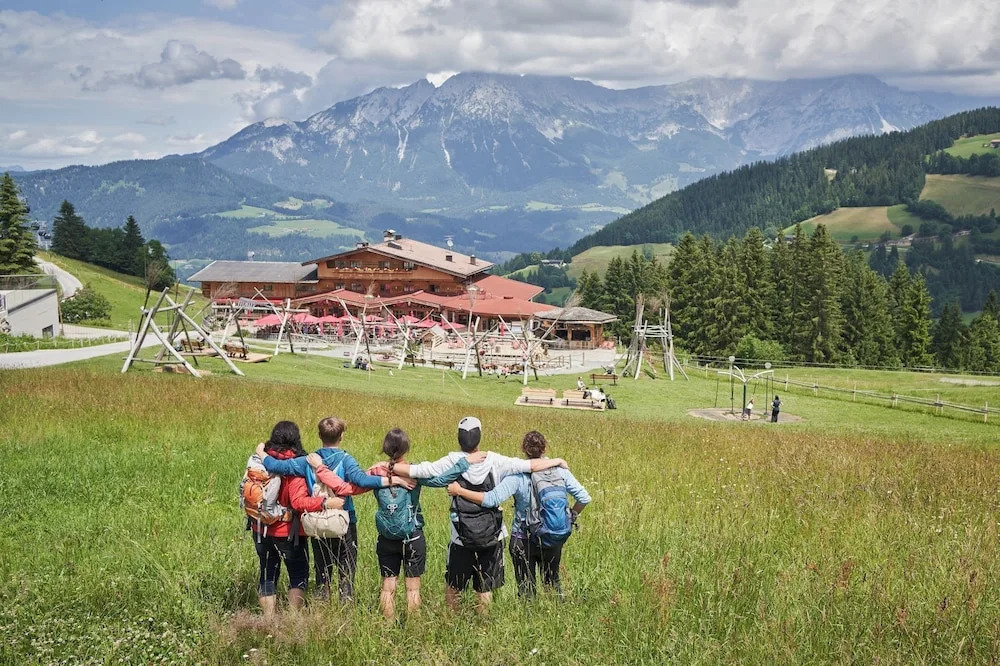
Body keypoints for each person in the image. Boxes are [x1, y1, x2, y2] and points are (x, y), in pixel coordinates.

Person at [391, 416, 569, 614]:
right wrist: (558, 461)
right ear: (479, 437)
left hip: (460, 536)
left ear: (459, 438)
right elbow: (530, 466)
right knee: (485, 588)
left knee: (454, 586)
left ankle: (451, 620)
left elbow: (418, 470)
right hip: (491, 535)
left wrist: (388, 465)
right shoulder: (495, 460)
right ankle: (482, 622)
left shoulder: (452, 460)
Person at [257, 416, 408, 603]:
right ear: (341, 436)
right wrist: (390, 479)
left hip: (317, 521)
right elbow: (362, 481)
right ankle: (345, 605)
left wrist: (261, 452)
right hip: (344, 521)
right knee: (347, 570)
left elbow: (274, 465)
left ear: (319, 435)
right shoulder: (346, 460)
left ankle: (322, 605)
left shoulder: (307, 461)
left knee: (322, 571)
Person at [356, 428, 488, 620]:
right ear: (406, 448)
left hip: (386, 537)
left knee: (387, 587)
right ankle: (413, 627)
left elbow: (359, 481)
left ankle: (386, 627)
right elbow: (442, 480)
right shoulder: (414, 472)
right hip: (413, 535)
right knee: (413, 589)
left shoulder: (376, 472)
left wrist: (388, 474)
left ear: (385, 448)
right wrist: (464, 462)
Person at [448, 430, 590, 598]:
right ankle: (557, 609)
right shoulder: (560, 472)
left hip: (523, 537)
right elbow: (584, 498)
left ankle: (528, 611)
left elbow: (491, 499)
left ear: (523, 449)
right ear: (544, 448)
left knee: (526, 588)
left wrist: (460, 491)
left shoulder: (518, 475)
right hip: (552, 536)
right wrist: (571, 516)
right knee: (552, 583)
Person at [248, 421, 344, 618]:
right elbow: (299, 502)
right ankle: (292, 620)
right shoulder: (296, 465)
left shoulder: (259, 460)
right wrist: (325, 502)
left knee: (267, 574)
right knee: (298, 574)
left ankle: (269, 621)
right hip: (288, 532)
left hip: (260, 528)